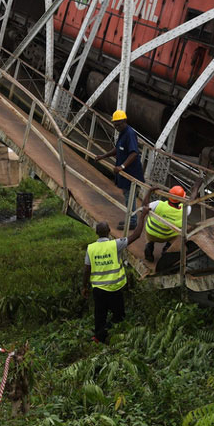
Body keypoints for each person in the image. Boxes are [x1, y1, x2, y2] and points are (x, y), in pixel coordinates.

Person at [82, 213, 148, 343]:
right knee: (119, 316)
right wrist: (142, 216)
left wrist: (84, 287)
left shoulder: (91, 249)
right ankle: (105, 334)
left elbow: (87, 270)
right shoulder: (115, 244)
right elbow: (136, 235)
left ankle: (99, 337)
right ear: (109, 231)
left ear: (96, 233)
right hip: (115, 288)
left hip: (98, 289)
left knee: (99, 316)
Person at [95, 110, 144, 230]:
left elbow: (134, 153)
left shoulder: (130, 134)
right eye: (115, 124)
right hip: (125, 173)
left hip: (131, 173)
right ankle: (130, 219)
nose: (116, 127)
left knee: (129, 195)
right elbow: (117, 149)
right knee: (127, 195)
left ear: (125, 121)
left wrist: (122, 166)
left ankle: (132, 221)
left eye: (119, 124)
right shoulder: (122, 132)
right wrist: (103, 156)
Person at [143, 185, 188, 262]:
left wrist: (149, 191)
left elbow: (143, 207)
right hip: (168, 236)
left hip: (151, 234)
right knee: (179, 232)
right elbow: (191, 200)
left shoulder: (158, 204)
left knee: (149, 223)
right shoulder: (185, 210)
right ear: (181, 199)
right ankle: (167, 248)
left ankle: (149, 245)